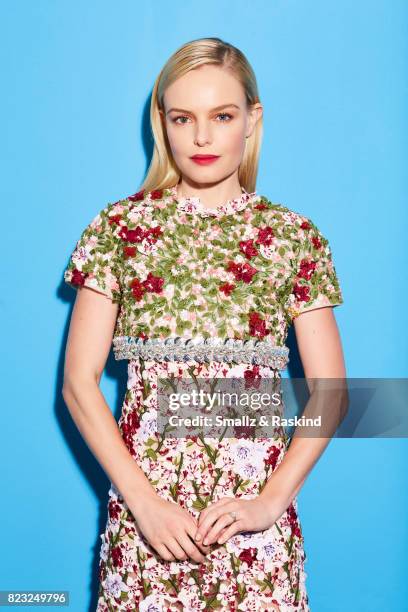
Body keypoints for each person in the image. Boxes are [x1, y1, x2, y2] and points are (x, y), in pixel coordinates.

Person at [62, 37, 346, 611]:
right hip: (149, 528)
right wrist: (142, 503)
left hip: (255, 532)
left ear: (252, 119)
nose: (201, 137)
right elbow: (77, 385)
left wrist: (270, 503)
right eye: (182, 117)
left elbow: (331, 393)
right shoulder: (119, 229)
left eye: (222, 116)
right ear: (161, 122)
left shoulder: (293, 237)